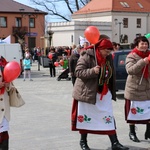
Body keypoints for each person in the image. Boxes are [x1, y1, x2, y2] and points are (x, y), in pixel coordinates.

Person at [71, 38, 129, 150]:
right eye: (106, 51)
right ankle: (83, 142)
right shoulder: (86, 56)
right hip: (88, 93)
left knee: (108, 116)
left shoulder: (107, 58)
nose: (108, 53)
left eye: (110, 51)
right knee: (86, 118)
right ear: (100, 48)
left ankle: (115, 143)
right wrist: (92, 71)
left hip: (104, 91)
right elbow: (78, 72)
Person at [124, 36, 150, 142]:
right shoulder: (131, 56)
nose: (144, 45)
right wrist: (144, 61)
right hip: (134, 89)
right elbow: (130, 70)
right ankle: (132, 132)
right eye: (142, 43)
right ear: (137, 45)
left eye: (146, 43)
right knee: (133, 113)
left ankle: (148, 132)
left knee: (149, 112)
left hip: (148, 88)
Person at [0, 56, 13, 150]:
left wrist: (9, 84)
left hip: (3, 106)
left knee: (4, 139)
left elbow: (10, 82)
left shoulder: (3, 62)